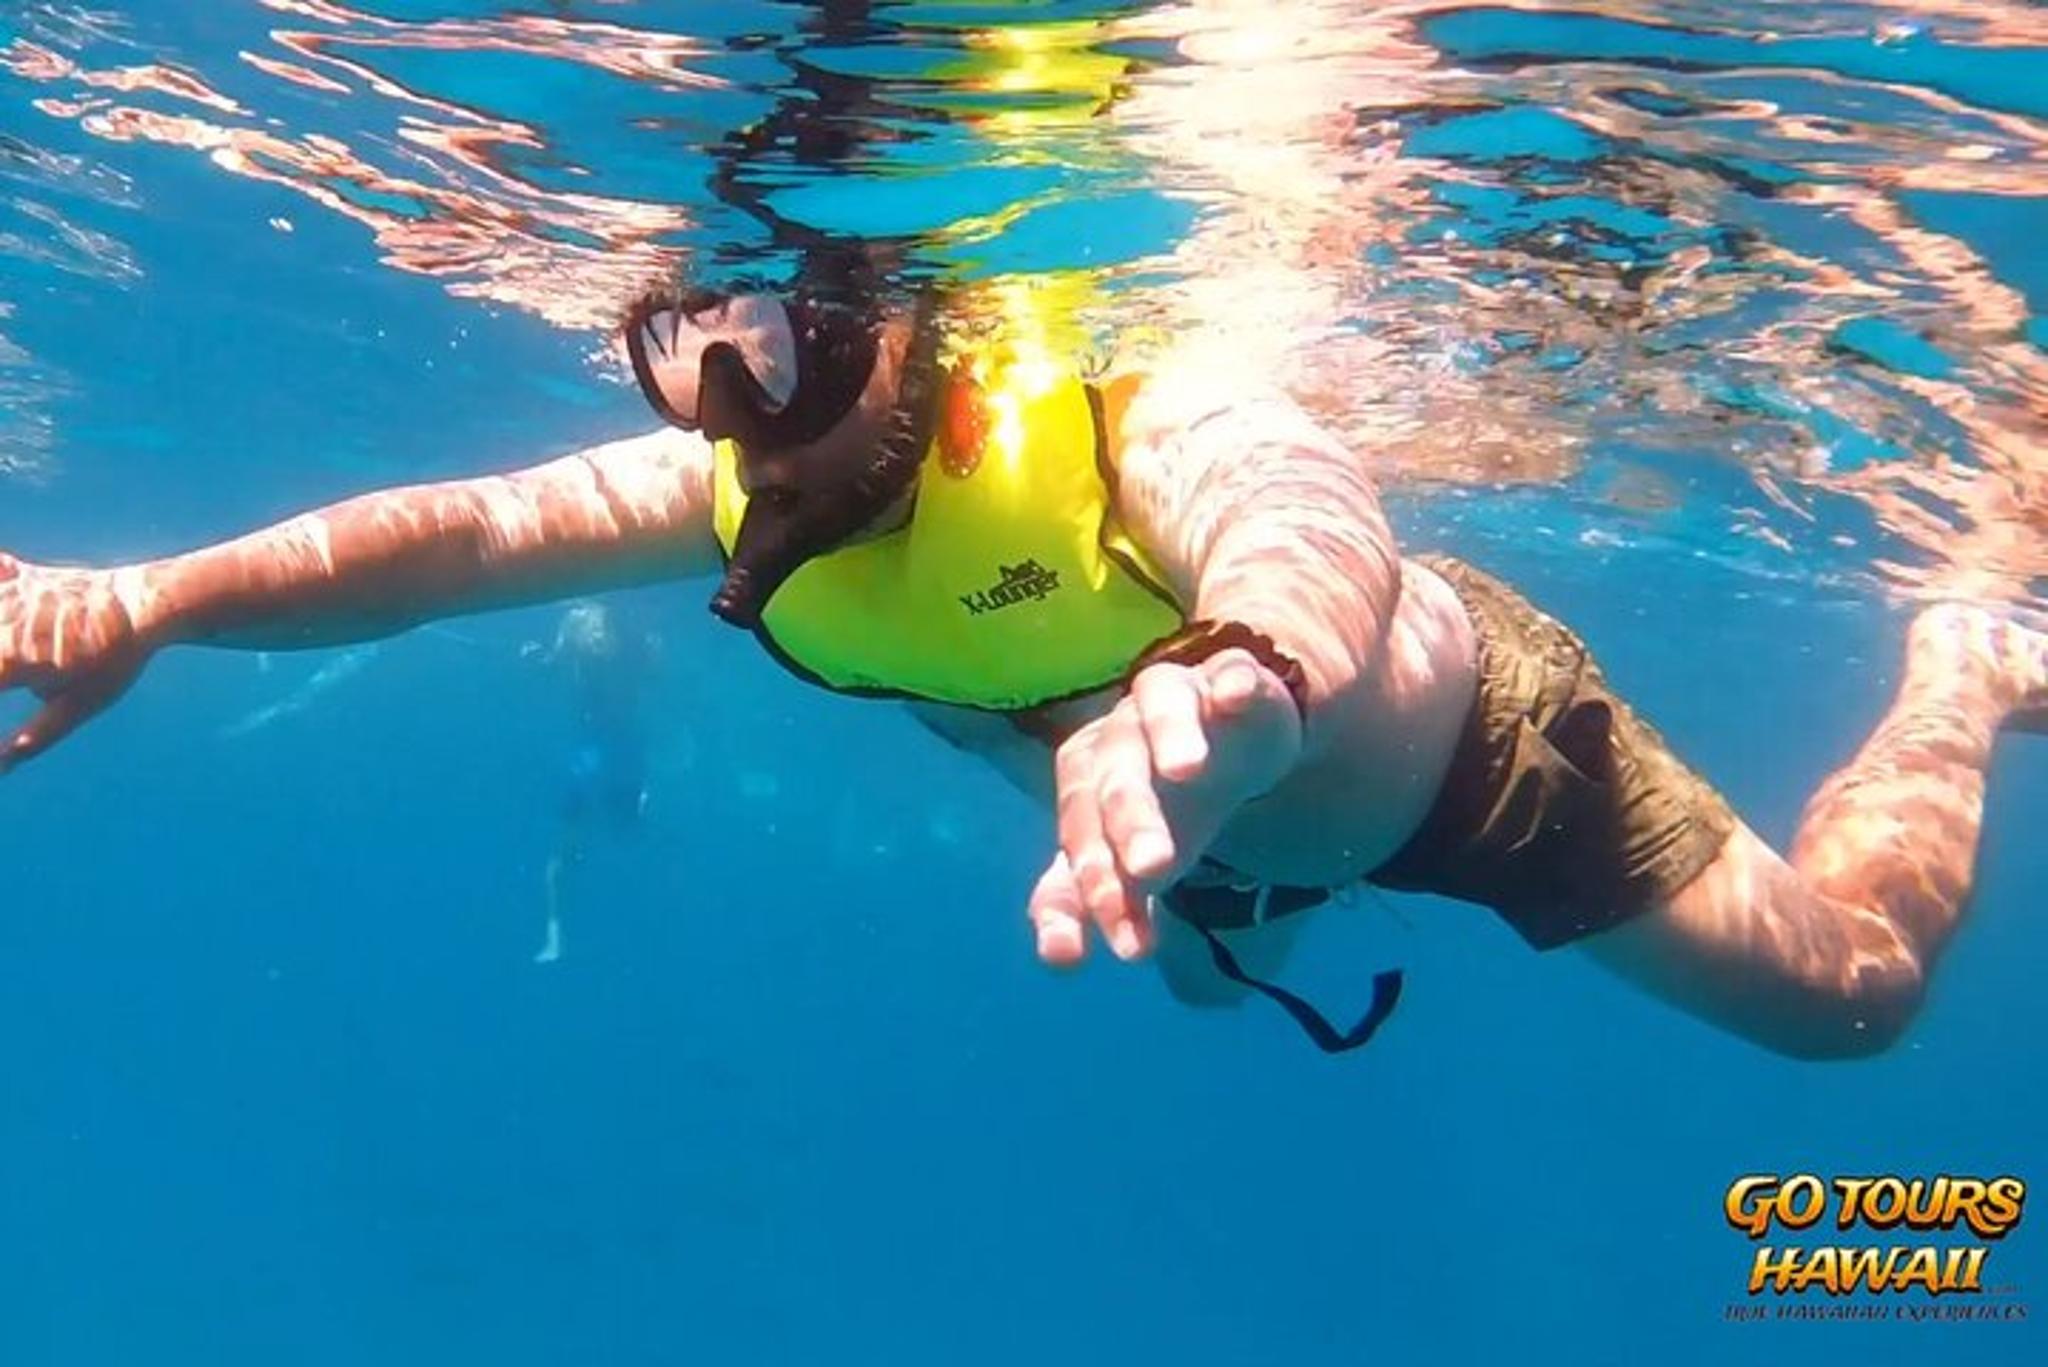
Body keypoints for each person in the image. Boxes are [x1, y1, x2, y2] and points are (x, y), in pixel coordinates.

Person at [1, 284, 2041, 1057]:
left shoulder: (1112, 408)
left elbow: (1304, 512)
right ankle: (1204, 889)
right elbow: (446, 544)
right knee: (1176, 934)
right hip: (1197, 850)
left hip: (1470, 760)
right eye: (676, 347)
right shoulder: (732, 476)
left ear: (898, 320)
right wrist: (155, 598)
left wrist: (1234, 675)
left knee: (1846, 1001)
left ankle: (1959, 653)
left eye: (776, 346)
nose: (732, 404)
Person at [524, 600, 660, 964]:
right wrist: (540, 661)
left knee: (628, 824)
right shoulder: (578, 624)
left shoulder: (639, 636)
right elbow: (555, 663)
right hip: (595, 747)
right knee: (571, 838)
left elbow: (656, 676)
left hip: (620, 746)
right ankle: (555, 931)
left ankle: (620, 920)